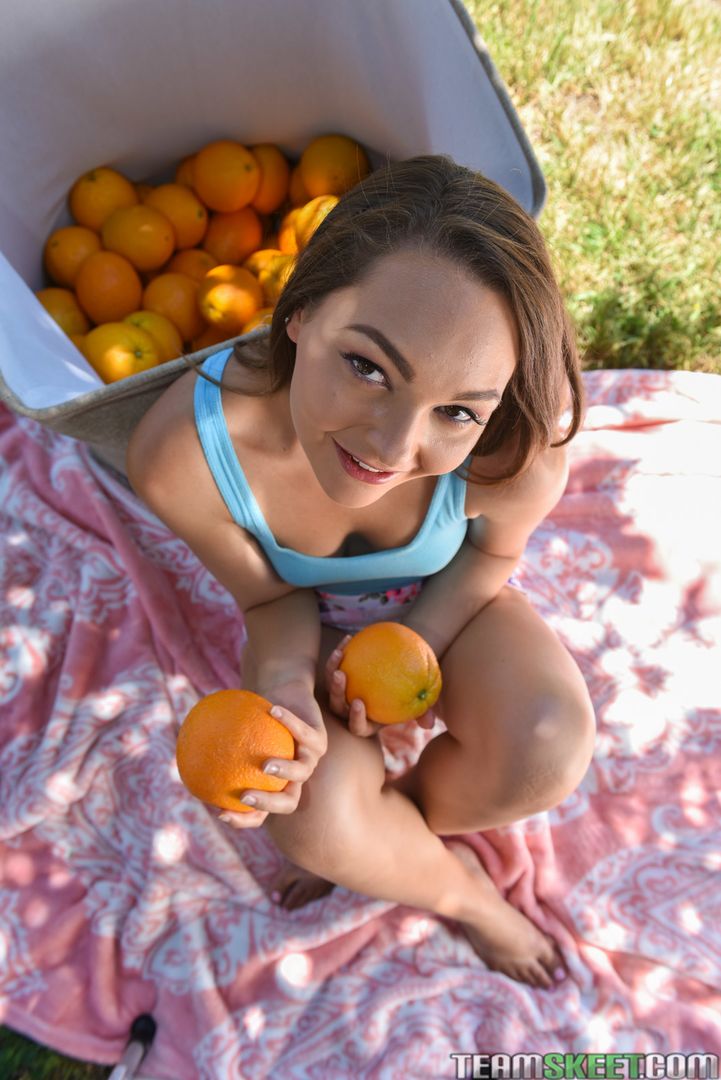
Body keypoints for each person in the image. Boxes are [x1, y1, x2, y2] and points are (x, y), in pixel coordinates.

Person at [126, 154, 596, 990]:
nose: (389, 447)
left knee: (546, 748)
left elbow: (490, 553)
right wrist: (287, 687)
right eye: (367, 367)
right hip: (302, 624)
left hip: (446, 603)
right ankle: (461, 894)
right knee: (308, 813)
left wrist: (417, 641)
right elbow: (268, 594)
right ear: (301, 308)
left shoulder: (514, 451)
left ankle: (392, 836)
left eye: (456, 411)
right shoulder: (182, 455)